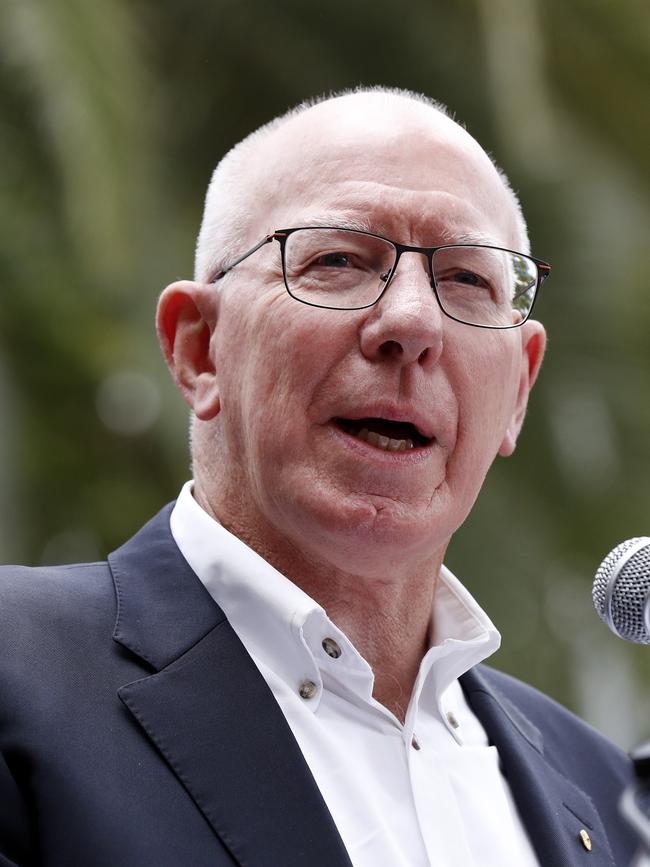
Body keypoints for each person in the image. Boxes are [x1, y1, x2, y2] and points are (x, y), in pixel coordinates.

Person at [0, 87, 637, 867]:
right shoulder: (18, 675)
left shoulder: (605, 792)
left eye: (468, 279)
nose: (412, 324)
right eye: (337, 259)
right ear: (199, 349)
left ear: (517, 392)